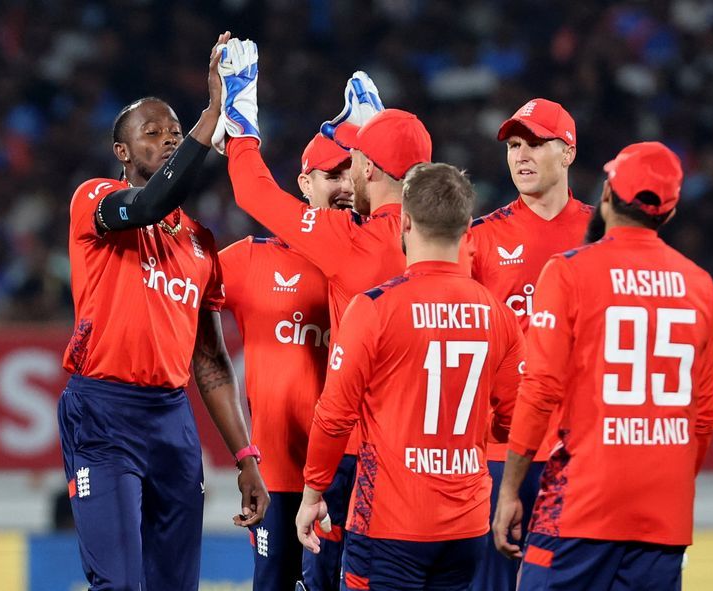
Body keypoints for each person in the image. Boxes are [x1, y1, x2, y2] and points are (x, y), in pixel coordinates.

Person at [214, 39, 432, 590]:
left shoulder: (350, 242)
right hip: (431, 465)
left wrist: (240, 113)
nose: (345, 181)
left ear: (369, 168)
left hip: (351, 455)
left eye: (355, 163)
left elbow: (252, 190)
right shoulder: (452, 240)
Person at [58, 32, 269, 591]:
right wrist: (212, 114)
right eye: (152, 133)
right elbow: (151, 203)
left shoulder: (200, 243)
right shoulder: (94, 201)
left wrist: (246, 457)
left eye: (175, 131)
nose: (169, 139)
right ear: (123, 153)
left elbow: (212, 362)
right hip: (103, 413)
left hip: (172, 420)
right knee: (120, 584)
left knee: (176, 584)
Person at [492, 142, 713, 590]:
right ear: (669, 212)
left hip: (582, 502)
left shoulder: (569, 272)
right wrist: (669, 485)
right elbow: (707, 415)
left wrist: (510, 488)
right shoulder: (699, 285)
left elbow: (540, 388)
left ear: (606, 194)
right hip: (663, 514)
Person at [295, 162, 525, 590]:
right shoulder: (497, 314)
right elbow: (516, 418)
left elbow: (334, 416)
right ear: (466, 228)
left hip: (389, 521)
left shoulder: (375, 308)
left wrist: (313, 493)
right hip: (466, 524)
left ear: (404, 222)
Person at [464, 98, 592, 591]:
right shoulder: (480, 239)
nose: (521, 155)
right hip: (499, 450)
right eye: (515, 145)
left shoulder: (599, 236)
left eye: (536, 143)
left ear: (568, 153)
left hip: (577, 451)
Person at [217, 133, 352, 590]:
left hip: (352, 470)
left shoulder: (375, 255)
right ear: (304, 184)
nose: (346, 185)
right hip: (279, 474)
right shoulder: (250, 259)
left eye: (351, 173)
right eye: (332, 175)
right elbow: (184, 292)